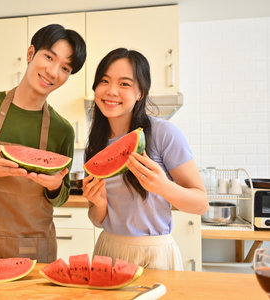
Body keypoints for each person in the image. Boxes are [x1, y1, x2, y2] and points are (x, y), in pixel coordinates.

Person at [0, 24, 86, 263]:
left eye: (65, 68)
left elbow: (61, 196)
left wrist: (54, 187)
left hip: (37, 250)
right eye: (49, 57)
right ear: (31, 54)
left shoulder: (62, 130)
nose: (53, 71)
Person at [82, 48, 208, 270]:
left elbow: (201, 204)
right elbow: (97, 220)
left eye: (124, 84)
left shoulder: (163, 133)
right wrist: (99, 203)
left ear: (140, 92)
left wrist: (162, 186)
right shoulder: (95, 144)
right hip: (108, 250)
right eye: (104, 81)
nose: (111, 91)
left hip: (154, 254)